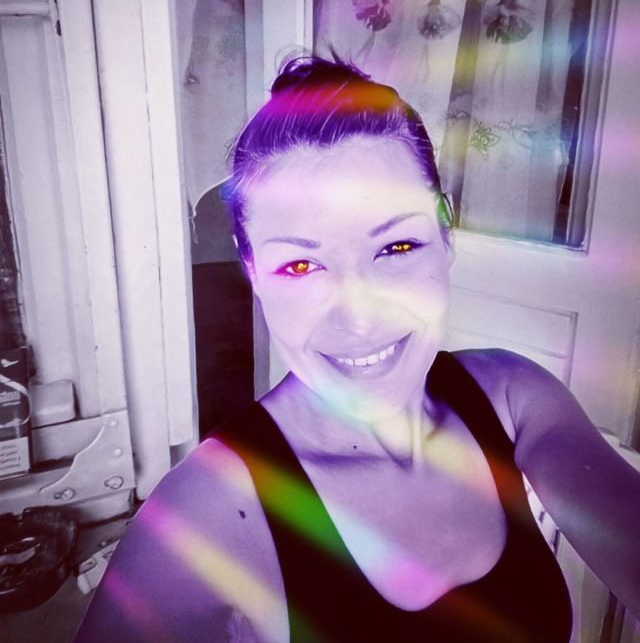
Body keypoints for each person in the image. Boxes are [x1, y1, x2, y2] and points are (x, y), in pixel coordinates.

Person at [75, 55, 640, 642]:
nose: (361, 315)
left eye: (396, 247)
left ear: (445, 233)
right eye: (301, 264)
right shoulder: (205, 514)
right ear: (253, 271)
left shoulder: (514, 398)